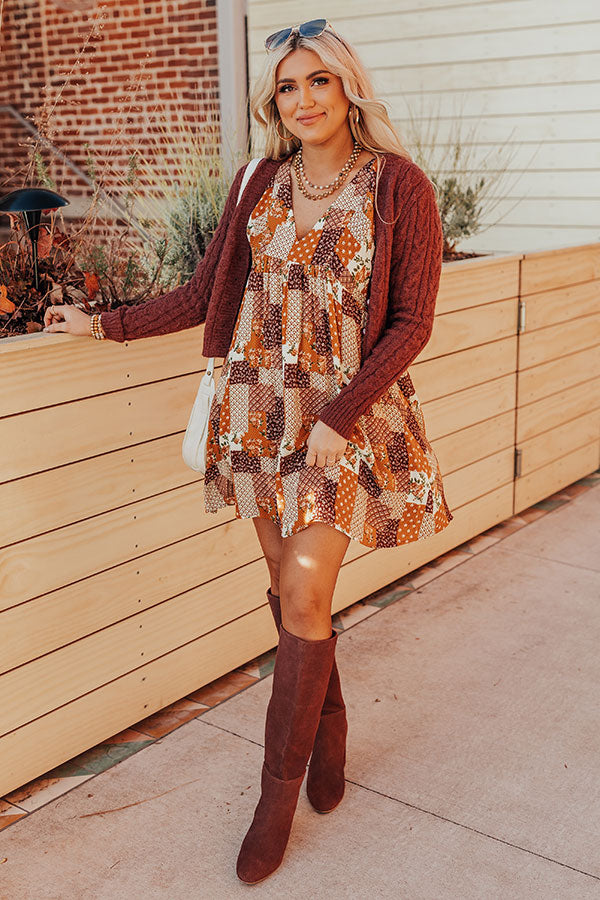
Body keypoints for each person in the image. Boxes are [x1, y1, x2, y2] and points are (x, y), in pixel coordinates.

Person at [43, 18, 454, 885]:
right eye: (288, 87)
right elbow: (205, 295)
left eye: (319, 83)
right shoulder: (257, 183)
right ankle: (328, 728)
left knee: (305, 586)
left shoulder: (399, 186)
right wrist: (104, 323)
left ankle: (275, 796)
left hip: (348, 416)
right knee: (288, 591)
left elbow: (412, 321)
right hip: (258, 413)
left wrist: (341, 416)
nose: (302, 100)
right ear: (276, 102)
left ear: (349, 90)